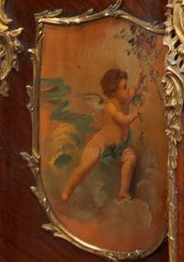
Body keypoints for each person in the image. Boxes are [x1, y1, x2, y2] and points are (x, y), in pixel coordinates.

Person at [60, 65, 145, 203]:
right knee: (87, 164)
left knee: (131, 159)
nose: (128, 90)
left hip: (118, 148)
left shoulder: (125, 98)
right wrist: (133, 115)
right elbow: (121, 119)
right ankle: (68, 190)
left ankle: (123, 192)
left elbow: (135, 89)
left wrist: (140, 76)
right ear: (113, 92)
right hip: (101, 144)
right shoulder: (110, 106)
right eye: (124, 87)